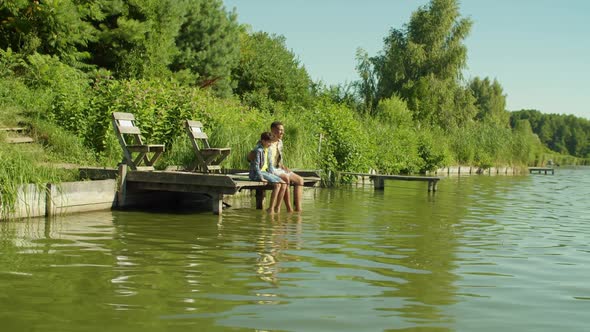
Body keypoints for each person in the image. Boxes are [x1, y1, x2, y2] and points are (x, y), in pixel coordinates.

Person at [268, 121, 304, 212]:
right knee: (286, 178)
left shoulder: (280, 142)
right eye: (279, 130)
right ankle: (289, 208)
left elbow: (277, 158)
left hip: (279, 168)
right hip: (270, 169)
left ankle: (298, 209)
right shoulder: (267, 141)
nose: (282, 132)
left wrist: (282, 166)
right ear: (273, 130)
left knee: (300, 180)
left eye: (282, 130)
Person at [249, 132, 287, 213]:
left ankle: (277, 207)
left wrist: (272, 174)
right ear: (263, 141)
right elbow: (256, 166)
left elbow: (270, 165)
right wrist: (261, 177)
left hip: (265, 172)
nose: (270, 144)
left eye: (271, 142)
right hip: (257, 174)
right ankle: (271, 208)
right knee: (277, 184)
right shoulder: (258, 150)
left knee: (284, 183)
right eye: (268, 142)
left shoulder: (268, 150)